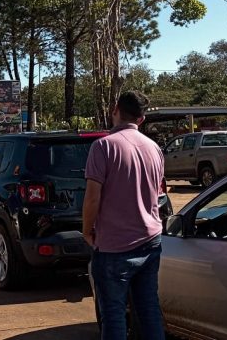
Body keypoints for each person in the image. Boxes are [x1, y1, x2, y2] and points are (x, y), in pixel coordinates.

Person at [83, 91, 165, 339]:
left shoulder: (103, 146)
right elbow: (158, 193)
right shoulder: (155, 148)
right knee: (148, 308)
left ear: (115, 109)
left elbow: (92, 197)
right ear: (141, 119)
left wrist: (87, 230)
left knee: (114, 314)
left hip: (114, 247)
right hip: (151, 240)